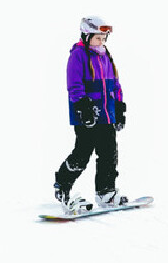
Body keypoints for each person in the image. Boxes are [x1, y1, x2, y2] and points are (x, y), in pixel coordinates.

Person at [54, 16, 128, 213]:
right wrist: (83, 107)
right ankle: (62, 186)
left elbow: (115, 84)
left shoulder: (106, 56)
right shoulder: (78, 55)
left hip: (106, 115)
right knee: (82, 153)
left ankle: (106, 191)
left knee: (109, 153)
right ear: (86, 36)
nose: (101, 42)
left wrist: (119, 107)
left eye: (104, 38)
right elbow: (74, 85)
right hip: (87, 115)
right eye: (97, 38)